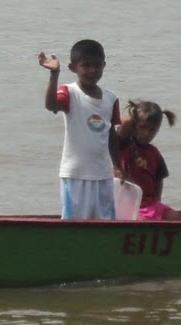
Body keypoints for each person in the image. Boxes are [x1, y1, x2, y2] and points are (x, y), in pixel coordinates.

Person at [38, 40, 121, 219]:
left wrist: (118, 165)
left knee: (105, 223)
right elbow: (51, 105)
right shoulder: (70, 92)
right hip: (76, 174)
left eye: (97, 65)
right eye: (86, 65)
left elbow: (111, 134)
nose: (92, 70)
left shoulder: (111, 98)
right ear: (73, 67)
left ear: (104, 65)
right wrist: (54, 74)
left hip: (103, 175)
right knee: (75, 223)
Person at [118, 99, 177, 220]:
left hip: (150, 203)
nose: (146, 133)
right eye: (142, 127)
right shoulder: (124, 145)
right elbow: (125, 124)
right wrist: (134, 115)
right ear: (134, 125)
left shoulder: (155, 154)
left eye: (152, 130)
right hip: (129, 203)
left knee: (175, 216)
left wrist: (158, 203)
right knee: (143, 222)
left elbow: (159, 181)